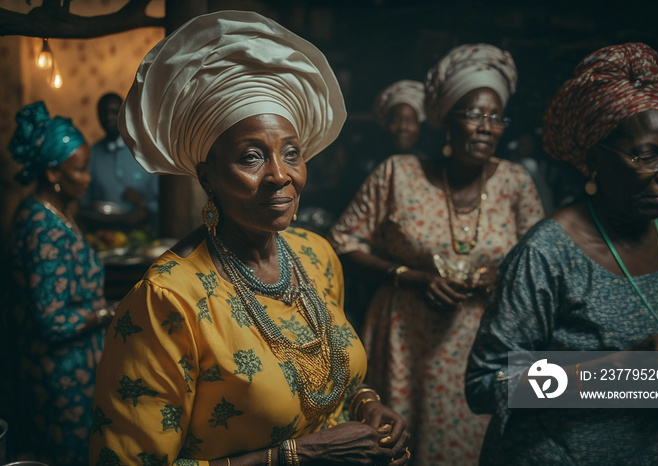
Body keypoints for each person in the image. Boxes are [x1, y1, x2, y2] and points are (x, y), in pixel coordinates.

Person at [89, 11, 410, 465]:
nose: (280, 175)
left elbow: (329, 376)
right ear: (209, 176)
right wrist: (294, 457)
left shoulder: (315, 256)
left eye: (291, 153)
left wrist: (365, 402)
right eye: (252, 156)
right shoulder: (166, 301)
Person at [465, 42, 658, 465]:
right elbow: (486, 385)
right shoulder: (548, 254)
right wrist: (620, 371)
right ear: (594, 159)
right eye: (647, 156)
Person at [327, 43, 544, 465]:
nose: (485, 126)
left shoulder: (516, 183)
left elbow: (539, 266)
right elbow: (342, 241)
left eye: (495, 117)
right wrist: (410, 276)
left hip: (485, 340)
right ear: (447, 122)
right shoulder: (398, 174)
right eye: (474, 114)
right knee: (401, 443)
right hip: (406, 339)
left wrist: (498, 280)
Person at [8, 101, 115, 465]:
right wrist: (106, 311)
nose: (88, 178)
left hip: (79, 370)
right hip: (60, 378)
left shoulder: (55, 214)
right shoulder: (41, 230)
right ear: (54, 174)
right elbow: (51, 321)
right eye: (80, 170)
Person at [80, 92, 159, 233]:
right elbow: (84, 205)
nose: (109, 117)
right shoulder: (91, 155)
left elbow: (160, 202)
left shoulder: (145, 151)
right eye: (104, 113)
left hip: (143, 236)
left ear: (124, 114)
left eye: (114, 112)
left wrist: (142, 203)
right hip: (105, 237)